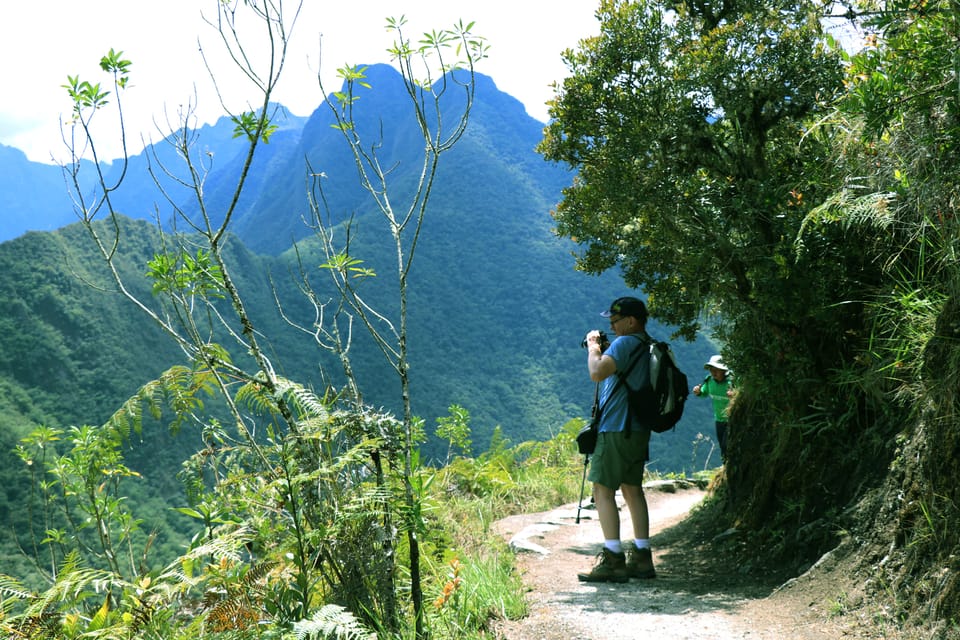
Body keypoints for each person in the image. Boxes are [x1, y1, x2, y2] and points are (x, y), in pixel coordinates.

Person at [578, 296, 657, 583]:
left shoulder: (625, 344)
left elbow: (597, 372)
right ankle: (642, 556)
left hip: (616, 428)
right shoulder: (647, 345)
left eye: (615, 319)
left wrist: (593, 347)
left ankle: (613, 559)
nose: (610, 323)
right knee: (633, 489)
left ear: (632, 321)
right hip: (638, 429)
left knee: (602, 489)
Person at [692, 355, 734, 461]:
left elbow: (743, 394)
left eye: (717, 370)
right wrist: (698, 392)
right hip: (719, 420)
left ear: (724, 371)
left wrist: (735, 395)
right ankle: (726, 469)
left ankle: (729, 470)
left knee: (727, 446)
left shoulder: (732, 381)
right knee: (722, 447)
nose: (713, 373)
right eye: (711, 370)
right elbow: (703, 392)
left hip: (732, 420)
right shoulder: (709, 381)